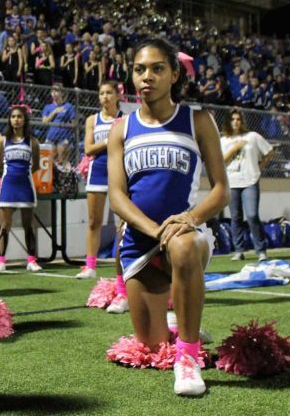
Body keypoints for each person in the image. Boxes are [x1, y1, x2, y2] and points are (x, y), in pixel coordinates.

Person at [106, 37, 229, 396]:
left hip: (186, 234)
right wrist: (152, 229)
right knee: (152, 345)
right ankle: (178, 325)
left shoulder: (198, 120)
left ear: (174, 74)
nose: (147, 77)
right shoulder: (121, 128)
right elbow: (117, 195)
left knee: (185, 246)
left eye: (158, 69)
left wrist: (189, 218)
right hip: (140, 241)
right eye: (140, 69)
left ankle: (188, 357)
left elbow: (221, 189)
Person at [78, 81, 122, 287]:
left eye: (109, 93)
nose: (105, 97)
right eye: (102, 93)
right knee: (94, 221)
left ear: (117, 96)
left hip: (120, 172)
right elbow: (88, 148)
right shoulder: (92, 120)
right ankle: (90, 266)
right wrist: (109, 140)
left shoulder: (126, 119)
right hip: (97, 173)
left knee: (124, 223)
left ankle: (124, 266)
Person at [220, 109, 274, 261]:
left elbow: (269, 152)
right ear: (228, 122)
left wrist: (260, 167)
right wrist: (235, 148)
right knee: (235, 217)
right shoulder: (223, 141)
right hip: (232, 181)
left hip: (250, 180)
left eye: (238, 119)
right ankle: (239, 250)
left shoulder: (253, 137)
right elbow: (220, 161)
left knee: (252, 215)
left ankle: (261, 250)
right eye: (233, 119)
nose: (236, 122)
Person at [0, 105, 42, 272]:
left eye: (19, 117)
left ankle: (32, 260)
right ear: (9, 119)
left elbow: (35, 165)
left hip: (26, 187)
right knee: (5, 225)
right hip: (8, 186)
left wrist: (23, 174)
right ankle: (0, 261)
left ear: (25, 120)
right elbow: (0, 164)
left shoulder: (33, 142)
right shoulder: (2, 141)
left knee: (28, 224)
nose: (16, 119)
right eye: (13, 116)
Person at [41, 84, 76, 160]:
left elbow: (74, 123)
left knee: (61, 160)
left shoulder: (68, 106)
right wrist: (54, 112)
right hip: (51, 137)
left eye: (56, 90)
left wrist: (66, 126)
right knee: (50, 161)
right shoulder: (47, 107)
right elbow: (44, 122)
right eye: (52, 91)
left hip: (63, 137)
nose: (54, 93)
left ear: (62, 93)